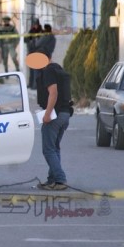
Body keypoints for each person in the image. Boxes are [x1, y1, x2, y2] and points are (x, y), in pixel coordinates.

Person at [35, 51, 72, 191]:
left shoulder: (48, 71)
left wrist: (48, 114)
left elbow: (53, 93)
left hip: (55, 115)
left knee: (48, 150)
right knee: (54, 148)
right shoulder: (58, 69)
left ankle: (60, 179)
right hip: (65, 114)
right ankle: (52, 180)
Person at [24, 18, 43, 89]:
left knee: (36, 70)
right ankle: (31, 84)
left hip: (37, 53)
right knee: (31, 70)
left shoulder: (41, 32)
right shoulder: (31, 31)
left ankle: (35, 85)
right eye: (34, 24)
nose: (35, 26)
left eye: (36, 24)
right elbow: (26, 40)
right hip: (31, 52)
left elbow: (40, 43)